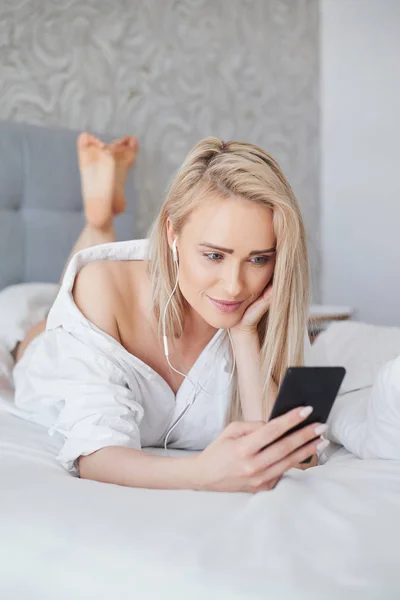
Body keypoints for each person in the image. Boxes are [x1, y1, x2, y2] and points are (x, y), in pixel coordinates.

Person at [12, 132, 328, 494]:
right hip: (44, 356)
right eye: (214, 255)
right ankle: (99, 224)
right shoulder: (105, 286)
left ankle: (102, 223)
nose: (234, 287)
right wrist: (201, 473)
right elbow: (95, 456)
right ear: (172, 233)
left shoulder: (262, 302)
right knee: (31, 334)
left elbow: (284, 449)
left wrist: (243, 336)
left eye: (258, 259)